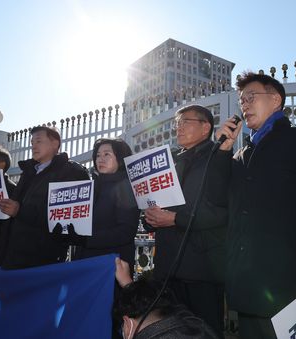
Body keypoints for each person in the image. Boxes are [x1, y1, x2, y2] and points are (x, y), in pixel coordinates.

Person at [215, 72, 296, 338]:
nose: (244, 104)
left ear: (276, 99)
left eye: (251, 97)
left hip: (287, 279)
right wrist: (222, 151)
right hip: (247, 281)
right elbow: (219, 199)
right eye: (241, 100)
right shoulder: (240, 153)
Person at [144, 105, 228, 336]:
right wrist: (151, 217)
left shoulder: (219, 158)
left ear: (205, 127)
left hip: (202, 270)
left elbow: (222, 213)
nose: (178, 128)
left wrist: (175, 219)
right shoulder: (169, 162)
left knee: (205, 331)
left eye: (185, 122)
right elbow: (156, 205)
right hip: (167, 269)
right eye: (176, 123)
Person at [0, 126, 89, 269]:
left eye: (39, 141)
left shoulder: (71, 172)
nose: (33, 146)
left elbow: (65, 219)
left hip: (43, 260)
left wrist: (20, 211)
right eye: (32, 143)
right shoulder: (28, 172)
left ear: (55, 144)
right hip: (12, 257)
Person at [73, 138, 139, 269]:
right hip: (84, 263)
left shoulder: (126, 188)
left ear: (120, 158)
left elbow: (125, 232)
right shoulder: (90, 188)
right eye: (98, 155)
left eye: (107, 154)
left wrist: (87, 239)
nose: (100, 159)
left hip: (111, 268)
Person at [113, 258, 220, 339]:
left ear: (128, 325)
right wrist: (128, 284)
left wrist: (128, 286)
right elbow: (181, 311)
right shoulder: (201, 329)